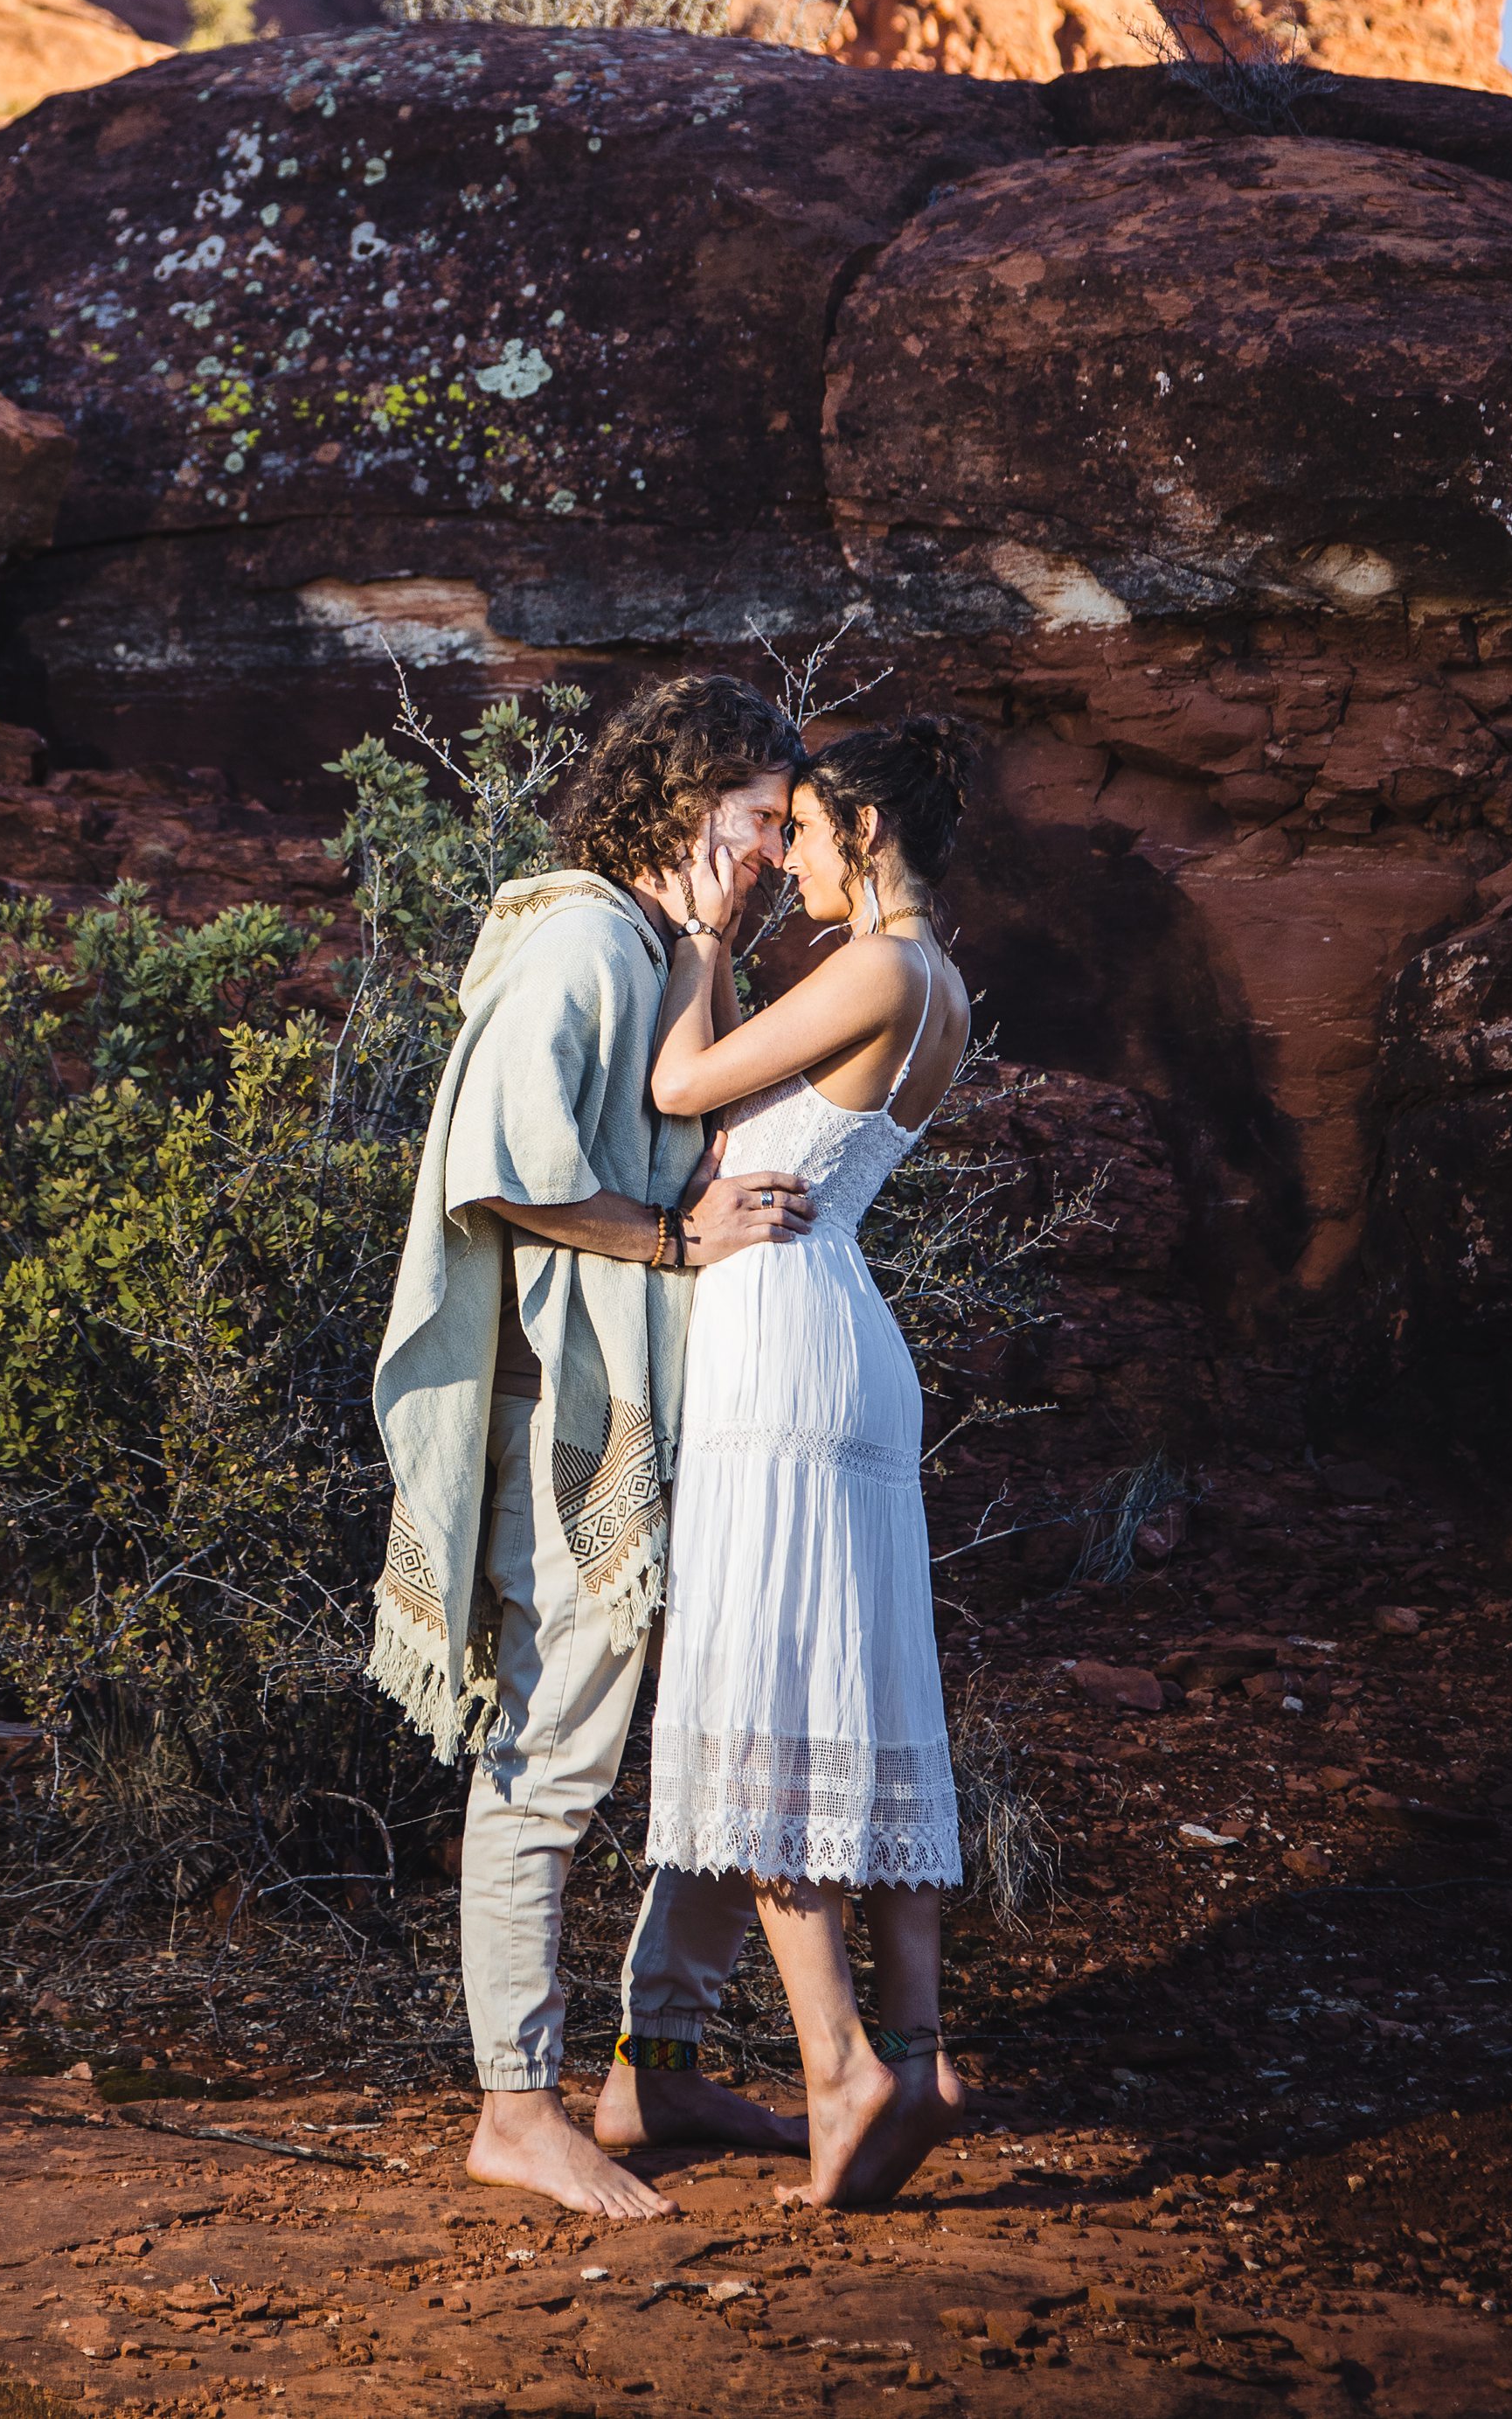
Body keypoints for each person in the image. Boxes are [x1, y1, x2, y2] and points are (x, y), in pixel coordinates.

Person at [369, 674, 817, 2222]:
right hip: (570, 1418)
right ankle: (514, 2102)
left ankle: (662, 2064)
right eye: (761, 819)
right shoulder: (576, 941)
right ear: (689, 805)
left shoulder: (665, 952)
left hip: (671, 1416)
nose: (774, 849)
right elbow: (500, 1169)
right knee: (552, 1761)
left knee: (709, 1729)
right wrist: (677, 1244)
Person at [641, 716, 979, 2209]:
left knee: (769, 1701)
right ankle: (910, 2053)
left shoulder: (881, 967)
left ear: (866, 828)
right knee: (865, 1697)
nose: (785, 855)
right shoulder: (943, 985)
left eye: (804, 829)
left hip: (780, 1342)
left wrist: (708, 938)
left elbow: (678, 1087)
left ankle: (837, 2066)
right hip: (840, 1332)